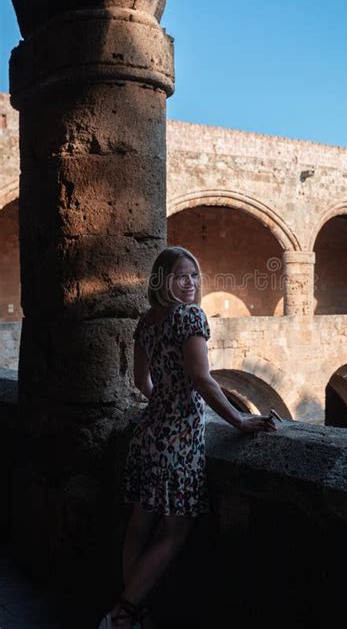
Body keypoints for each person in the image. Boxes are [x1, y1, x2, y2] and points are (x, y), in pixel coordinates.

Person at [99, 246, 276, 628]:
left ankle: (133, 609)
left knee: (139, 524)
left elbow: (141, 382)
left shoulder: (147, 321)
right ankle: (123, 613)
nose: (190, 283)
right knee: (176, 530)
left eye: (194, 275)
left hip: (149, 432)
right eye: (181, 276)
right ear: (163, 281)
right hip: (179, 438)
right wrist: (240, 422)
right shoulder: (190, 317)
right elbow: (202, 378)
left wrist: (165, 399)